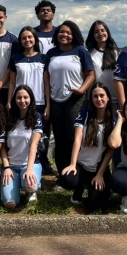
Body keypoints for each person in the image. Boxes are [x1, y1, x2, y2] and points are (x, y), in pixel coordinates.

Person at [44, 21, 95, 173]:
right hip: (55, 100)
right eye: (61, 32)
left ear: (74, 35)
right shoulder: (51, 53)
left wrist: (81, 90)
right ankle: (62, 173)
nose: (64, 35)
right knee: (59, 137)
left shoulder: (81, 51)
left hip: (75, 100)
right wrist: (48, 103)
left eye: (68, 32)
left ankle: (75, 170)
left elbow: (91, 75)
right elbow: (46, 80)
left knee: (73, 136)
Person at [59, 82, 116, 213]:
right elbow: (77, 139)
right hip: (81, 164)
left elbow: (111, 149)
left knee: (94, 207)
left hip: (98, 168)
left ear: (108, 97)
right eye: (95, 96)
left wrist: (100, 174)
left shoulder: (113, 121)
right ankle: (79, 188)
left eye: (102, 95)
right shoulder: (84, 114)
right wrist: (73, 164)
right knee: (68, 180)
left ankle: (96, 189)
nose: (99, 99)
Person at [6, 26, 50, 174]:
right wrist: (9, 101)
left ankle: (42, 163)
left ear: (35, 39)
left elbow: (46, 83)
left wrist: (48, 105)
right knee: (21, 134)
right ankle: (20, 162)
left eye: (30, 37)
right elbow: (12, 83)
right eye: (24, 38)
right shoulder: (15, 58)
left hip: (39, 103)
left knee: (41, 136)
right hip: (20, 103)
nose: (27, 40)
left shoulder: (43, 58)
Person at [0, 85, 43, 208]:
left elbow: (34, 144)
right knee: (9, 203)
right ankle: (14, 187)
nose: (22, 100)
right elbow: (2, 147)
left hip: (29, 164)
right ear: (14, 100)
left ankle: (31, 190)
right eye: (19, 98)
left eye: (25, 97)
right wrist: (6, 167)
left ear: (31, 99)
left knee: (30, 185)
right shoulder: (8, 117)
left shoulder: (37, 117)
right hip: (11, 166)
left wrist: (29, 169)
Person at [85, 20, 119, 94]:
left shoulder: (117, 53)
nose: (100, 33)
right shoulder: (88, 54)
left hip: (114, 96)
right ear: (93, 35)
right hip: (96, 97)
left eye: (103, 30)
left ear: (107, 32)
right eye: (96, 32)